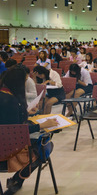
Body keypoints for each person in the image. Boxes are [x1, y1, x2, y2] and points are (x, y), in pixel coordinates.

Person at [0, 67, 58, 195]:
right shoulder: (12, 101)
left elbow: (7, 121)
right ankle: (17, 180)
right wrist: (42, 125)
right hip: (6, 153)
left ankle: (16, 182)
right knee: (44, 147)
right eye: (25, 81)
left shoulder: (4, 95)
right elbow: (16, 131)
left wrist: (24, 112)